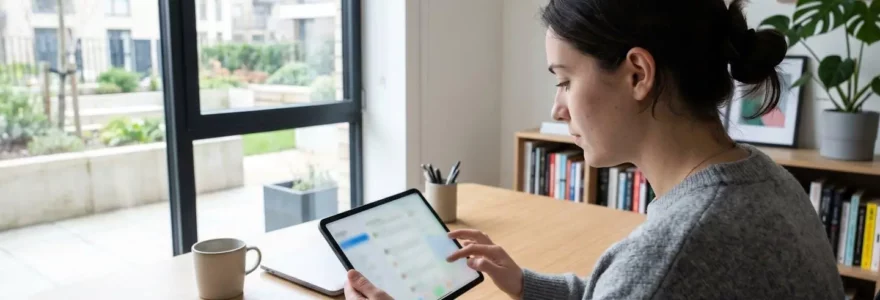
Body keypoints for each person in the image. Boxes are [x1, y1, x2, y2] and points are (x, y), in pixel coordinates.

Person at [344, 0, 845, 299]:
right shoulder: (766, 179)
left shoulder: (673, 252)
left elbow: (648, 285)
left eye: (563, 81)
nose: (558, 109)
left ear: (637, 75)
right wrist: (525, 283)